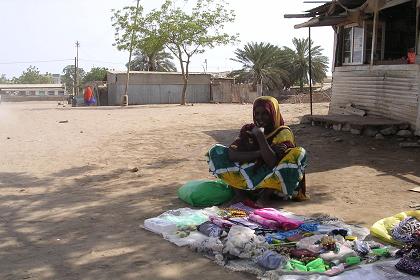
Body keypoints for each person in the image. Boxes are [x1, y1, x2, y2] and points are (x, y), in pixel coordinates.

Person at [207, 96, 308, 201]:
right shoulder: (249, 129)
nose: (260, 117)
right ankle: (242, 195)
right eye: (257, 113)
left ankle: (264, 198)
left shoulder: (283, 133)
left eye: (265, 113)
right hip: (251, 174)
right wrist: (261, 152)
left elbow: (272, 162)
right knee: (217, 152)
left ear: (273, 114)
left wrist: (260, 136)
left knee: (299, 153)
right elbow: (232, 154)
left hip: (272, 180)